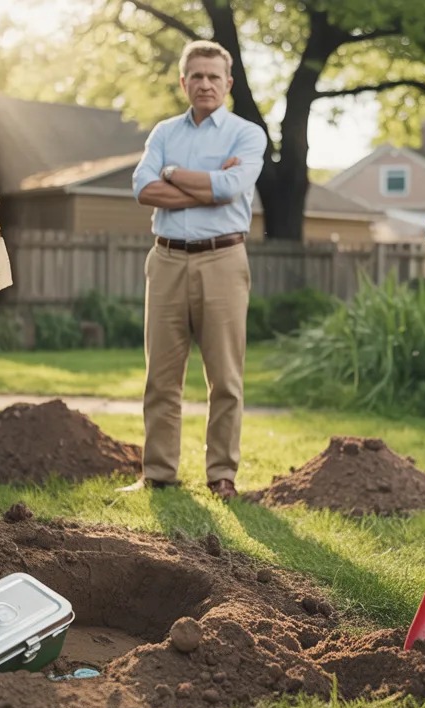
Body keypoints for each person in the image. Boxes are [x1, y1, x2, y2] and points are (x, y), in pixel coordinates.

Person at [118, 40, 268, 500]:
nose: (205, 83)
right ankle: (158, 473)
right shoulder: (164, 132)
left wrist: (172, 174)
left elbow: (231, 188)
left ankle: (222, 475)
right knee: (161, 376)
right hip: (165, 259)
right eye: (196, 76)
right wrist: (206, 185)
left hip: (223, 259)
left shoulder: (247, 134)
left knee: (225, 378)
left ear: (228, 83)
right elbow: (142, 189)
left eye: (213, 76)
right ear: (184, 82)